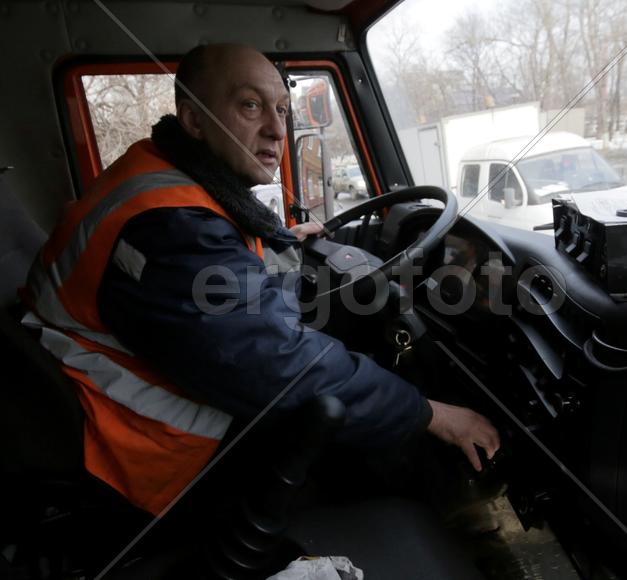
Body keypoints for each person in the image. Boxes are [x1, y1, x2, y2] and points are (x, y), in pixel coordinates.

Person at [22, 44, 499, 516]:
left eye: (282, 109)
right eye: (250, 106)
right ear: (193, 121)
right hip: (150, 449)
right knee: (387, 444)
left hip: (139, 390)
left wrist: (282, 241)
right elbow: (278, 368)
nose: (276, 129)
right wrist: (429, 413)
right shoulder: (170, 231)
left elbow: (215, 276)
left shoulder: (157, 175)